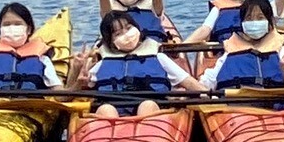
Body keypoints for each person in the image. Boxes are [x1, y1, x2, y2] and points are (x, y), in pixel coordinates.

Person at [70, 9, 200, 115]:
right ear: (112, 43)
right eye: (118, 34)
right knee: (105, 109)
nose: (126, 35)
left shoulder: (158, 57)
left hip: (152, 109)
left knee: (147, 106)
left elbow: (188, 82)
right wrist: (76, 73)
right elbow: (68, 95)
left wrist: (210, 95)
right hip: (113, 112)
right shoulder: (101, 64)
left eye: (128, 28)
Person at [199, 0, 284, 89]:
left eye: (260, 18)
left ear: (270, 24)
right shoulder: (229, 53)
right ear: (242, 25)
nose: (254, 22)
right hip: (237, 109)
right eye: (249, 18)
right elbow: (206, 84)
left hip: (275, 109)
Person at [0, 3, 62, 90]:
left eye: (18, 24)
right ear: (0, 30)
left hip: (23, 106)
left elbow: (60, 96)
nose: (12, 28)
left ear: (29, 29)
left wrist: (75, 78)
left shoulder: (42, 60)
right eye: (6, 24)